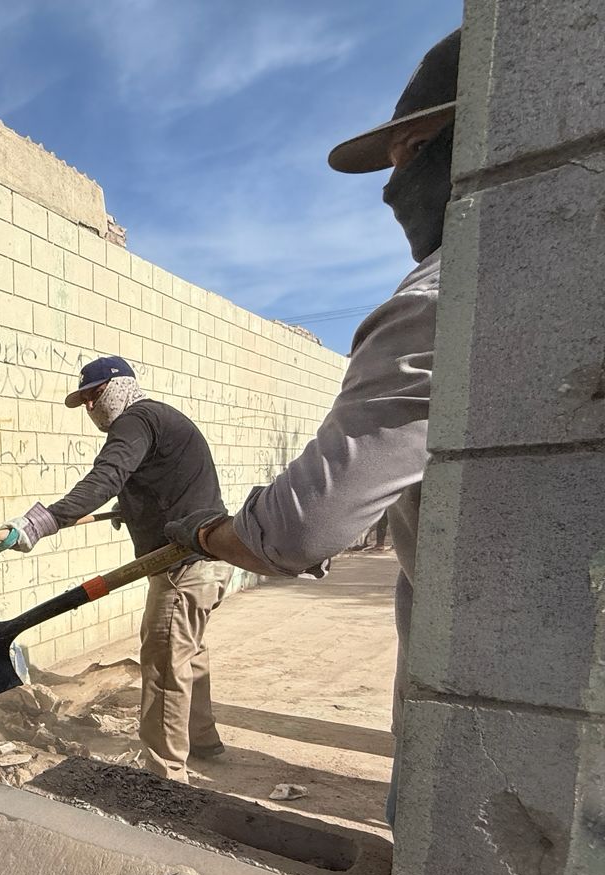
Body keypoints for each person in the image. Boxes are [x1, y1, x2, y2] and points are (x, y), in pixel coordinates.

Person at [165, 29, 461, 822]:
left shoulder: (443, 301)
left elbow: (299, 528)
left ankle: (166, 770)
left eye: (407, 152)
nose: (391, 184)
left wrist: (206, 537)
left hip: (486, 727)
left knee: (171, 665)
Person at [0, 355, 231, 781]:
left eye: (94, 395)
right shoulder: (162, 418)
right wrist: (134, 507)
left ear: (119, 386)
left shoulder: (136, 421)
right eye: (84, 402)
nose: (90, 408)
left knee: (162, 666)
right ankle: (203, 740)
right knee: (189, 654)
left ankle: (165, 778)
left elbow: (106, 478)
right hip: (208, 562)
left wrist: (41, 521)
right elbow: (164, 481)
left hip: (182, 568)